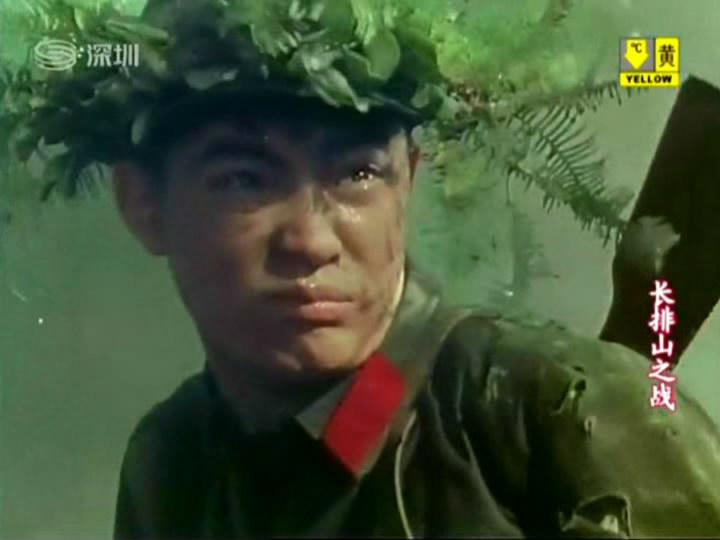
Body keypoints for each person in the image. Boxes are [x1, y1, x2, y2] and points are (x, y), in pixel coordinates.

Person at [5, 0, 720, 537]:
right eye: (245, 179)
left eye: (356, 173)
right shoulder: (174, 462)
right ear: (143, 204)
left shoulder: (559, 416)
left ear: (408, 181)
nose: (312, 240)